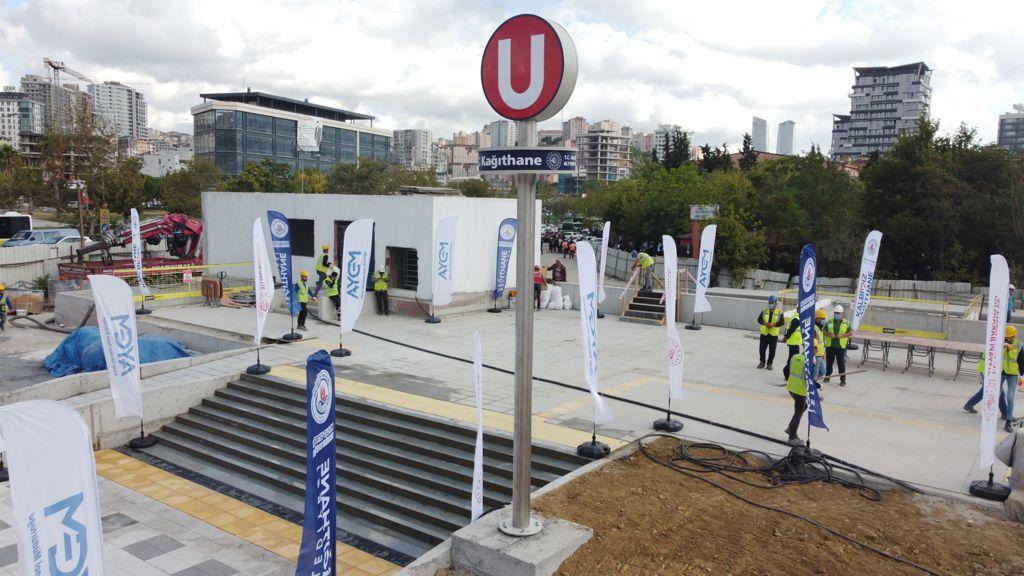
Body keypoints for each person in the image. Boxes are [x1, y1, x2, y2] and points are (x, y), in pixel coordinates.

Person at [822, 304, 853, 386]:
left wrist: (842, 335)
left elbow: (850, 333)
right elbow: (824, 331)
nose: (837, 314)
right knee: (829, 363)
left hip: (840, 347)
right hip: (830, 346)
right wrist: (829, 334)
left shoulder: (846, 323)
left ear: (842, 313)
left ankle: (843, 379)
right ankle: (827, 377)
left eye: (838, 313)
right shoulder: (829, 321)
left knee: (841, 364)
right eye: (835, 313)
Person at [785, 349, 809, 447]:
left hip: (791, 387)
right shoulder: (808, 361)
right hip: (800, 390)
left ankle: (791, 428)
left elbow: (787, 370)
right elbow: (809, 379)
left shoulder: (795, 357)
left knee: (804, 406)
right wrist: (819, 386)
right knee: (798, 414)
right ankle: (792, 437)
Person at [1002, 325, 1023, 432]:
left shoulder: (1019, 345)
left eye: (1009, 337)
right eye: (1006, 336)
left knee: (1010, 397)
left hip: (1012, 374)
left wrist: (1022, 376)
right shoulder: (1000, 342)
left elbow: (1021, 361)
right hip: (1000, 373)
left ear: (1014, 336)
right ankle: (1004, 413)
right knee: (998, 394)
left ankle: (1008, 422)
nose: (1007, 338)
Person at [756, 294, 784, 370]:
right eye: (770, 302)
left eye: (772, 303)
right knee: (762, 349)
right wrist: (766, 323)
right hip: (764, 334)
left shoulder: (779, 312)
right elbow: (759, 319)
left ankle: (769, 364)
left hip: (773, 335)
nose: (771, 304)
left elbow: (782, 322)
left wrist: (773, 324)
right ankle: (762, 362)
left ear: (775, 303)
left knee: (772, 350)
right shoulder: (764, 311)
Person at [782, 310, 802, 380]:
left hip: (794, 342)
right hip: (794, 342)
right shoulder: (796, 319)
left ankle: (787, 373)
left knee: (792, 359)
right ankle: (786, 372)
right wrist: (786, 337)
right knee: (793, 359)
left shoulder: (796, 317)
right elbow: (791, 329)